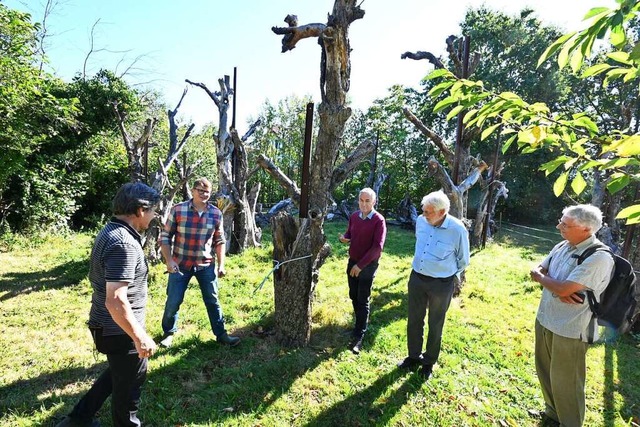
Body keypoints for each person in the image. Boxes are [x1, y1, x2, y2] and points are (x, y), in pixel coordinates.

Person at [57, 182, 161, 427]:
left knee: (117, 374)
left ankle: (78, 419)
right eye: (153, 211)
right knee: (128, 389)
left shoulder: (111, 230)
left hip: (107, 325)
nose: (155, 216)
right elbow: (115, 299)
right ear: (139, 210)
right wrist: (139, 337)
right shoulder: (123, 243)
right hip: (118, 329)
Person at [529, 205, 614, 427]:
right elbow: (539, 269)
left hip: (571, 329)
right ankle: (552, 413)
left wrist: (554, 285)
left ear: (586, 229)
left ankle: (570, 422)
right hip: (546, 319)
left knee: (567, 381)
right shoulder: (563, 245)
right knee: (545, 369)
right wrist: (552, 284)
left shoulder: (599, 258)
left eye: (565, 225)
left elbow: (564, 288)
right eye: (561, 220)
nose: (559, 226)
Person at [397, 190, 470, 379]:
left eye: (428, 212)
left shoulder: (457, 229)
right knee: (414, 319)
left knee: (435, 323)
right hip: (417, 278)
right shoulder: (421, 221)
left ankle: (428, 362)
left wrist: (444, 274)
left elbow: (463, 260)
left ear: (442, 212)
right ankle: (413, 356)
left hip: (441, 283)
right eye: (423, 210)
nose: (423, 215)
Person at [159, 178, 239, 347]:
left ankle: (221, 334)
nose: (203, 194)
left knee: (213, 300)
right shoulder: (178, 210)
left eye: (207, 192)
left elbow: (220, 240)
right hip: (180, 265)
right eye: (200, 190)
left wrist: (221, 265)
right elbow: (165, 236)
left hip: (206, 265)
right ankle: (168, 333)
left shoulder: (216, 213)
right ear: (193, 191)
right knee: (173, 301)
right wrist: (169, 261)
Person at [339, 188, 387, 354]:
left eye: (368, 201)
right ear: (358, 200)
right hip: (353, 262)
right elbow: (350, 232)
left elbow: (377, 248)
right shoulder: (354, 216)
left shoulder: (378, 220)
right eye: (361, 200)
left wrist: (360, 266)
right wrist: (345, 238)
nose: (364, 204)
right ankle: (357, 324)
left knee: (362, 298)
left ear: (374, 202)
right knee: (353, 295)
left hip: (367, 265)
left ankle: (359, 335)